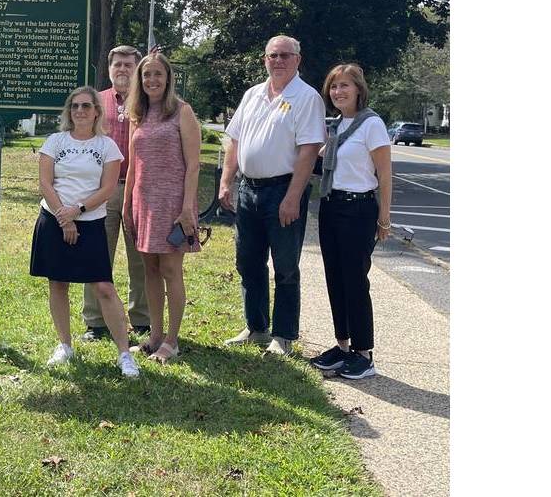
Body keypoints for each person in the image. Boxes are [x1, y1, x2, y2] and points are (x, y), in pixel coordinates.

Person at [219, 35, 326, 356]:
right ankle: (256, 327)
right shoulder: (253, 94)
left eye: (284, 55)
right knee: (248, 261)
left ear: (297, 59)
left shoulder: (306, 97)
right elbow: (235, 141)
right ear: (265, 59)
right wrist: (226, 182)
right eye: (272, 55)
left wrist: (293, 197)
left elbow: (309, 150)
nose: (278, 61)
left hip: (284, 189)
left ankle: (283, 335)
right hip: (248, 189)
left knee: (285, 266)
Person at [31, 86, 140, 378]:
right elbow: (45, 183)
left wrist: (77, 211)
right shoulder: (54, 141)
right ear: (69, 111)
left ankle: (125, 354)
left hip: (90, 223)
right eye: (75, 106)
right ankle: (65, 345)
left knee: (103, 287)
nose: (80, 111)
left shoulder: (107, 146)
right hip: (53, 219)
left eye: (86, 106)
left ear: (96, 112)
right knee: (58, 283)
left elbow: (107, 188)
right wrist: (64, 219)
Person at [310, 64, 391, 379]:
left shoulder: (371, 124)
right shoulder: (336, 126)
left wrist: (384, 218)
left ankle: (364, 353)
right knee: (335, 279)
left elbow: (385, 174)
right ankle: (342, 346)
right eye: (333, 86)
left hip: (358, 210)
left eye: (344, 85)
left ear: (358, 89)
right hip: (331, 206)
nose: (338, 91)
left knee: (355, 281)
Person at [122, 52, 203, 365]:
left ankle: (172, 340)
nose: (152, 80)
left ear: (168, 78)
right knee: (150, 270)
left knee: (170, 269)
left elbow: (194, 165)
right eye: (146, 75)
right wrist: (127, 205)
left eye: (158, 74)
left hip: (173, 204)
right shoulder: (137, 115)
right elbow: (133, 165)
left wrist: (187, 209)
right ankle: (155, 336)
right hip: (144, 202)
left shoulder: (182, 111)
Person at [80, 45, 151, 342]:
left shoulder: (149, 101)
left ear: (137, 69)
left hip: (140, 190)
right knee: (97, 255)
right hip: (102, 190)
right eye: (117, 64)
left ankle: (143, 319)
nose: (122, 69)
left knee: (142, 258)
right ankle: (95, 322)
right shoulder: (95, 102)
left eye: (128, 65)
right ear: (109, 69)